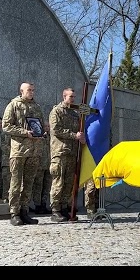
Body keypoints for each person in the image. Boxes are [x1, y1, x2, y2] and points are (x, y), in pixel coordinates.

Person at [2, 82, 49, 226]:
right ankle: (14, 213)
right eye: (29, 90)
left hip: (34, 151)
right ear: (21, 91)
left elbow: (39, 125)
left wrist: (42, 133)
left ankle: (24, 211)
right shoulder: (13, 105)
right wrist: (24, 133)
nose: (32, 92)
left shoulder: (36, 107)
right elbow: (6, 126)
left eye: (33, 90)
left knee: (29, 183)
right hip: (19, 151)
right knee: (16, 183)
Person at [49, 87, 86, 222]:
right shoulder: (56, 111)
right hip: (60, 151)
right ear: (64, 96)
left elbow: (79, 130)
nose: (73, 99)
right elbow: (56, 130)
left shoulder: (75, 114)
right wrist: (74, 135)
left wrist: (80, 137)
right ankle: (55, 210)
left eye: (74, 97)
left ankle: (64, 207)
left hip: (72, 152)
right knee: (58, 181)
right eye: (71, 97)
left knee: (69, 182)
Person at [30, 147, 52, 214]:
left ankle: (43, 204)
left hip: (49, 163)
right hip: (40, 164)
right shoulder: (39, 136)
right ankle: (37, 205)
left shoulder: (50, 137)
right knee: (38, 185)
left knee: (47, 185)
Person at [0, 129, 11, 203]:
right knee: (6, 184)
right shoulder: (4, 134)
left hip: (16, 162)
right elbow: (4, 147)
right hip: (7, 163)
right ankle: (5, 201)